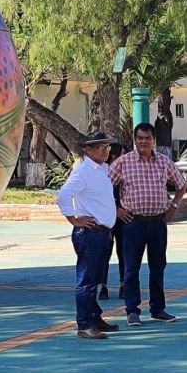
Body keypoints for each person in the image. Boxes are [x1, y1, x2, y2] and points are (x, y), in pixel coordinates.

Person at [109, 122, 186, 326]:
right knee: (131, 268)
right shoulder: (123, 163)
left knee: (158, 266)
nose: (144, 142)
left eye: (147, 138)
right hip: (133, 223)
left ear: (154, 140)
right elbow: (104, 187)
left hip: (158, 222)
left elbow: (181, 184)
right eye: (140, 138)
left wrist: (174, 206)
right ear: (135, 140)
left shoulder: (164, 162)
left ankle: (158, 309)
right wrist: (116, 209)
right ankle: (132, 310)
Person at [57, 131, 121, 340]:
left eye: (107, 146)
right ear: (88, 150)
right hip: (90, 233)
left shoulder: (102, 169)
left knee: (94, 279)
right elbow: (64, 194)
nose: (105, 150)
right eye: (100, 146)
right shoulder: (83, 171)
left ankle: (94, 317)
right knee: (86, 280)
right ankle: (84, 324)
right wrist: (73, 219)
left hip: (102, 232)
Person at [99, 141, 125, 301]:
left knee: (124, 253)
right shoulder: (103, 173)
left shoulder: (124, 173)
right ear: (114, 157)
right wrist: (116, 209)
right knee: (104, 253)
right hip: (107, 219)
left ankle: (124, 285)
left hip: (123, 220)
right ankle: (102, 286)